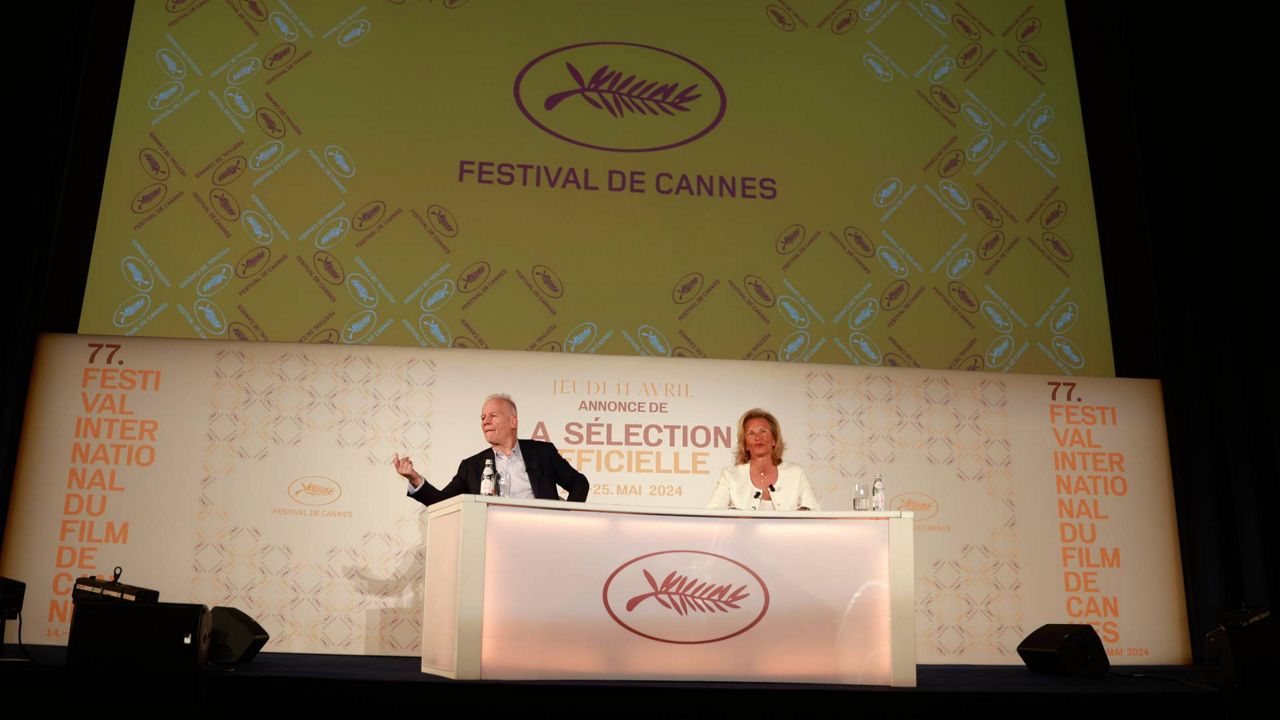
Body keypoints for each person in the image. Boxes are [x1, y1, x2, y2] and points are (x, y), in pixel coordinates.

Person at [392, 394, 589, 507]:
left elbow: (579, 483)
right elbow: (441, 503)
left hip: (542, 537)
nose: (485, 421)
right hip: (493, 542)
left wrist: (567, 518)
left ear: (513, 421)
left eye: (493, 415)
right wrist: (415, 479)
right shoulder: (472, 467)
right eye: (482, 417)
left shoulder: (542, 452)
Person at [706, 408, 820, 511]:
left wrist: (802, 513)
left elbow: (814, 510)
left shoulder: (796, 473)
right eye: (751, 433)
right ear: (745, 444)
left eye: (763, 431)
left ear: (774, 440)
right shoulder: (730, 475)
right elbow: (712, 512)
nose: (757, 437)